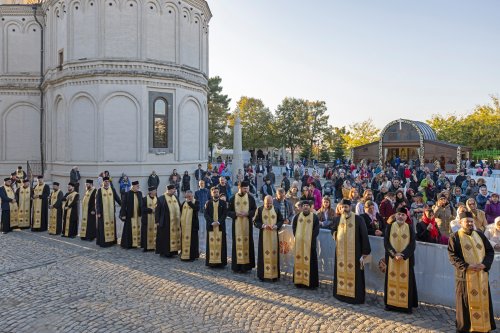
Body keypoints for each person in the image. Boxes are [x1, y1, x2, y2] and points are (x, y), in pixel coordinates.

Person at [448, 212, 496, 333]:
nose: (469, 223)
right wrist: (467, 266)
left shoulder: (479, 234)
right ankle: (465, 327)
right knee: (464, 303)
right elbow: (452, 256)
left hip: (481, 276)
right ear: (460, 222)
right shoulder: (455, 237)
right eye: (466, 221)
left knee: (483, 300)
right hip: (464, 277)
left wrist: (484, 264)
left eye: (471, 221)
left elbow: (490, 251)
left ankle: (483, 326)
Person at [331, 199, 371, 304]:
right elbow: (333, 230)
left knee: (356, 274)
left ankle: (355, 297)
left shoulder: (358, 219)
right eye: (342, 207)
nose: (344, 209)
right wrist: (335, 235)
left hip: (355, 253)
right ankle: (340, 294)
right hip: (340, 253)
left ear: (350, 207)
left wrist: (365, 252)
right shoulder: (338, 219)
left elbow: (364, 235)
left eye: (346, 207)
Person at [383, 207, 418, 313]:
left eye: (403, 215)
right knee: (390, 281)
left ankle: (405, 306)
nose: (400, 216)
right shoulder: (389, 227)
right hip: (392, 259)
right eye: (399, 214)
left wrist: (403, 255)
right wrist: (394, 254)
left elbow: (412, 244)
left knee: (407, 282)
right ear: (395, 215)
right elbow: (386, 243)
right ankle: (390, 304)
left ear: (406, 216)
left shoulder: (410, 227)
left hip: (406, 260)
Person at [227, 181, 257, 273]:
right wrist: (235, 214)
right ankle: (237, 267)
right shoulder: (232, 198)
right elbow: (228, 211)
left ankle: (246, 267)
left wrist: (248, 213)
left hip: (247, 226)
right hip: (236, 226)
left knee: (248, 244)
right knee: (237, 245)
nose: (247, 190)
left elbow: (255, 210)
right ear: (239, 188)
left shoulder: (250, 198)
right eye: (245, 188)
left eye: (247, 188)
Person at [254, 195, 284, 282]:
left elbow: (281, 220)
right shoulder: (260, 209)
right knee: (263, 255)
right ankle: (262, 275)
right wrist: (263, 225)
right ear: (264, 202)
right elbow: (255, 222)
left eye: (270, 203)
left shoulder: (276, 209)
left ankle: (274, 275)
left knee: (274, 255)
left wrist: (276, 226)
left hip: (274, 236)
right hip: (264, 236)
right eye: (267, 203)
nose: (268, 205)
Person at [292, 200, 319, 289]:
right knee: (299, 261)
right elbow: (294, 228)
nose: (306, 207)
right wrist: (298, 237)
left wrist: (309, 239)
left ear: (310, 207)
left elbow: (316, 230)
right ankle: (299, 281)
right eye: (304, 205)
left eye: (307, 205)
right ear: (302, 207)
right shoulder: (297, 217)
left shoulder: (314, 217)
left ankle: (311, 283)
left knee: (311, 263)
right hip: (299, 245)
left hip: (310, 245)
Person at [204, 187, 228, 268]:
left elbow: (225, 214)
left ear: (219, 192)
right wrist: (212, 222)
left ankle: (221, 263)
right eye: (214, 192)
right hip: (211, 226)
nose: (216, 193)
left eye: (217, 192)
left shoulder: (223, 203)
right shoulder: (208, 203)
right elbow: (205, 214)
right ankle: (211, 263)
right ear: (211, 193)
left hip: (220, 226)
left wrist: (219, 222)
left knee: (221, 244)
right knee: (210, 244)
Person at [155, 184, 181, 257]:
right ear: (169, 190)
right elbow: (157, 210)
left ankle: (173, 252)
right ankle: (165, 252)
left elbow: (179, 206)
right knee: (165, 238)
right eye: (173, 189)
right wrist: (157, 221)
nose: (175, 190)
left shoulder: (175, 197)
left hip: (175, 222)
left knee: (174, 236)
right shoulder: (161, 198)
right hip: (165, 222)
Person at [95, 177, 122, 247]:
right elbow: (97, 202)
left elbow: (117, 198)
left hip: (111, 212)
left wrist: (122, 205)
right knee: (103, 227)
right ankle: (104, 242)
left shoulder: (112, 189)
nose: (107, 182)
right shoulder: (99, 190)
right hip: (103, 213)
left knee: (112, 226)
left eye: (108, 181)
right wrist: (98, 212)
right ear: (103, 182)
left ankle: (112, 241)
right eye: (105, 181)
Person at [120, 181, 143, 249]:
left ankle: (136, 243)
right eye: (137, 186)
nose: (138, 187)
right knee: (128, 230)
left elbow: (142, 203)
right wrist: (123, 214)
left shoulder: (140, 193)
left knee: (137, 228)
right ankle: (128, 244)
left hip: (138, 215)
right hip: (130, 215)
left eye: (138, 186)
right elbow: (123, 205)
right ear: (133, 186)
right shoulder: (127, 194)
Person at [179, 190, 200, 261]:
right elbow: (180, 213)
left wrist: (190, 203)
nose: (188, 198)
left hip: (193, 225)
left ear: (192, 196)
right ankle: (184, 253)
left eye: (189, 197)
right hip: (184, 226)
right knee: (184, 240)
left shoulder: (196, 201)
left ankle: (193, 256)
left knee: (193, 241)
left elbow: (197, 208)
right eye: (187, 197)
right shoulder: (183, 203)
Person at [141, 186, 158, 252]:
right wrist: (151, 210)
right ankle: (146, 247)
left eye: (155, 191)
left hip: (154, 219)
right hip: (146, 219)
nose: (155, 192)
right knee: (146, 233)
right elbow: (142, 209)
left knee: (155, 233)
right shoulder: (145, 199)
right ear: (150, 192)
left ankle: (154, 246)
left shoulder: (157, 198)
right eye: (154, 191)